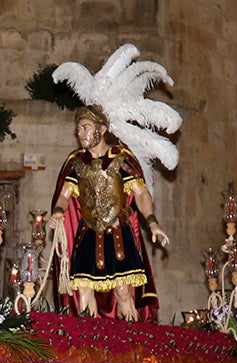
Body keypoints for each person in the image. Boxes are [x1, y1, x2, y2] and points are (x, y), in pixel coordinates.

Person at [48, 104, 169, 321]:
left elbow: (141, 193)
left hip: (118, 233)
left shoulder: (121, 159)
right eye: (79, 128)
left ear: (102, 130)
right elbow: (65, 195)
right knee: (84, 290)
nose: (80, 133)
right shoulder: (77, 162)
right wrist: (58, 212)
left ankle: (130, 344)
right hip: (87, 233)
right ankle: (91, 345)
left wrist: (152, 222)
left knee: (123, 291)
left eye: (86, 127)